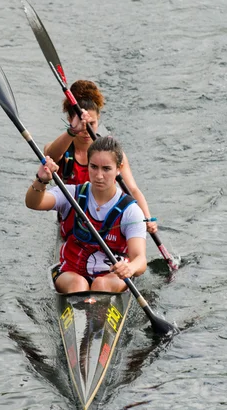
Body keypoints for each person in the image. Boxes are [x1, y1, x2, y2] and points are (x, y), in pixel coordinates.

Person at [26, 136, 147, 294]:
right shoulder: (71, 195)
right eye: (94, 167)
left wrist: (130, 267)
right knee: (78, 284)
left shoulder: (131, 211)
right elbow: (33, 203)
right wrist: (40, 180)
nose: (99, 175)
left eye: (106, 169)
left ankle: (95, 312)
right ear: (87, 165)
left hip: (111, 276)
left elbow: (140, 260)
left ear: (119, 168)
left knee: (100, 285)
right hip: (71, 273)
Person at [43, 79, 157, 234]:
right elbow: (49, 155)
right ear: (71, 120)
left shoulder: (112, 153)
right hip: (72, 223)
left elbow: (132, 189)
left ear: (98, 119)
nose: (86, 130)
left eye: (92, 123)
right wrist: (72, 131)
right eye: (82, 124)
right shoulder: (62, 149)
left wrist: (147, 218)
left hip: (105, 222)